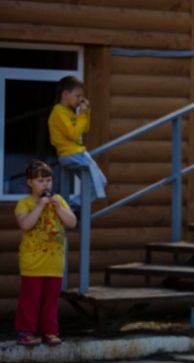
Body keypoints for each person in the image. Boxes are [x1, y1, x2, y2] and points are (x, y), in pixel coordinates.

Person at [15, 160, 77, 346]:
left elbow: (72, 222)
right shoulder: (25, 203)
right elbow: (25, 225)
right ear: (30, 183)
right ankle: (26, 333)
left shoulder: (59, 201)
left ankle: (50, 332)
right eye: (40, 181)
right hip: (33, 262)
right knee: (30, 299)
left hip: (54, 262)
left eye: (49, 180)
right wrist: (40, 205)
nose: (46, 185)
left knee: (50, 300)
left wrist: (58, 207)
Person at [48, 75, 107, 209]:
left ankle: (72, 207)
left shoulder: (69, 112)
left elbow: (84, 129)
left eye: (82, 96)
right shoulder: (58, 112)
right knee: (100, 182)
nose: (80, 99)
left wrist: (86, 113)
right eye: (77, 95)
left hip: (74, 154)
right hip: (72, 153)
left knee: (93, 183)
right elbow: (74, 134)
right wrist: (81, 116)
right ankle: (70, 206)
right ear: (65, 94)